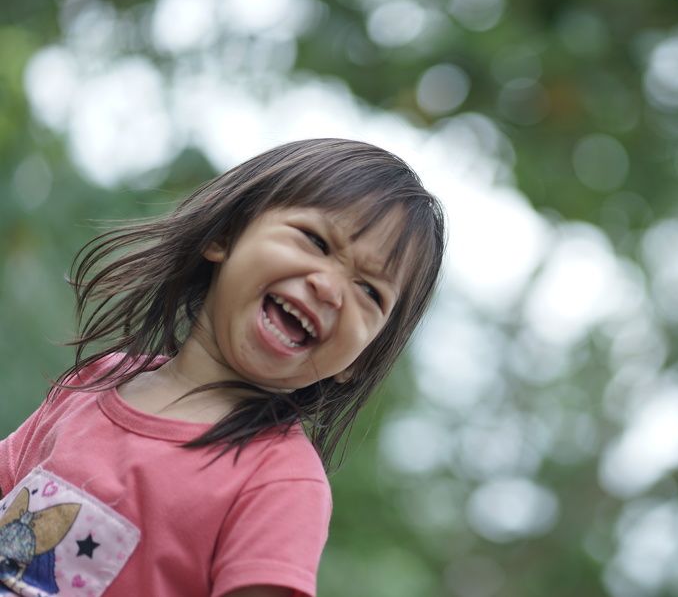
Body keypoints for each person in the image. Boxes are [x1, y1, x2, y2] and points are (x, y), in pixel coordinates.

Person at [0, 139, 446, 597]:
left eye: (370, 292)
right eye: (316, 241)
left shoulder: (281, 481)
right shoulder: (95, 380)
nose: (330, 290)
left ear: (361, 358)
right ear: (225, 235)